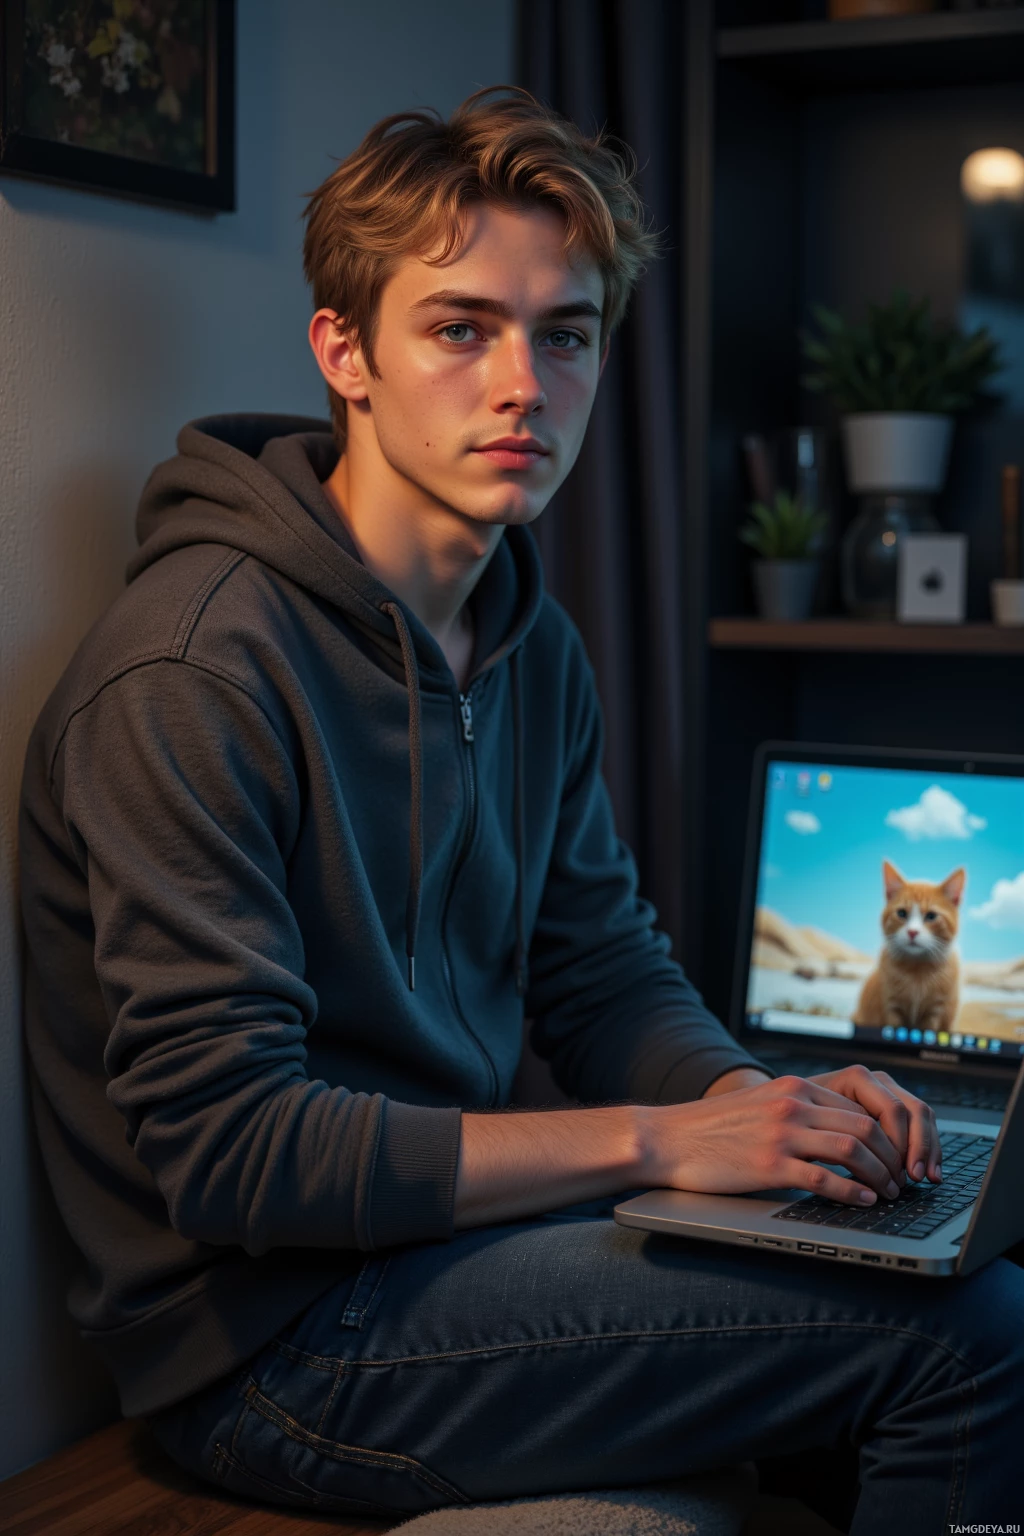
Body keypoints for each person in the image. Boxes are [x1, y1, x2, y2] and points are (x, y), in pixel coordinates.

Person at [19, 85, 1023, 1536]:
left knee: (930, 1253)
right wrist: (661, 1143)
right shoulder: (194, 672)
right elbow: (234, 1153)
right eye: (460, 328)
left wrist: (756, 1108)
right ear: (345, 354)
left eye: (567, 335)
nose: (524, 386)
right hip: (272, 1341)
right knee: (970, 1340)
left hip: (457, 1245)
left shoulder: (527, 639)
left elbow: (599, 969)